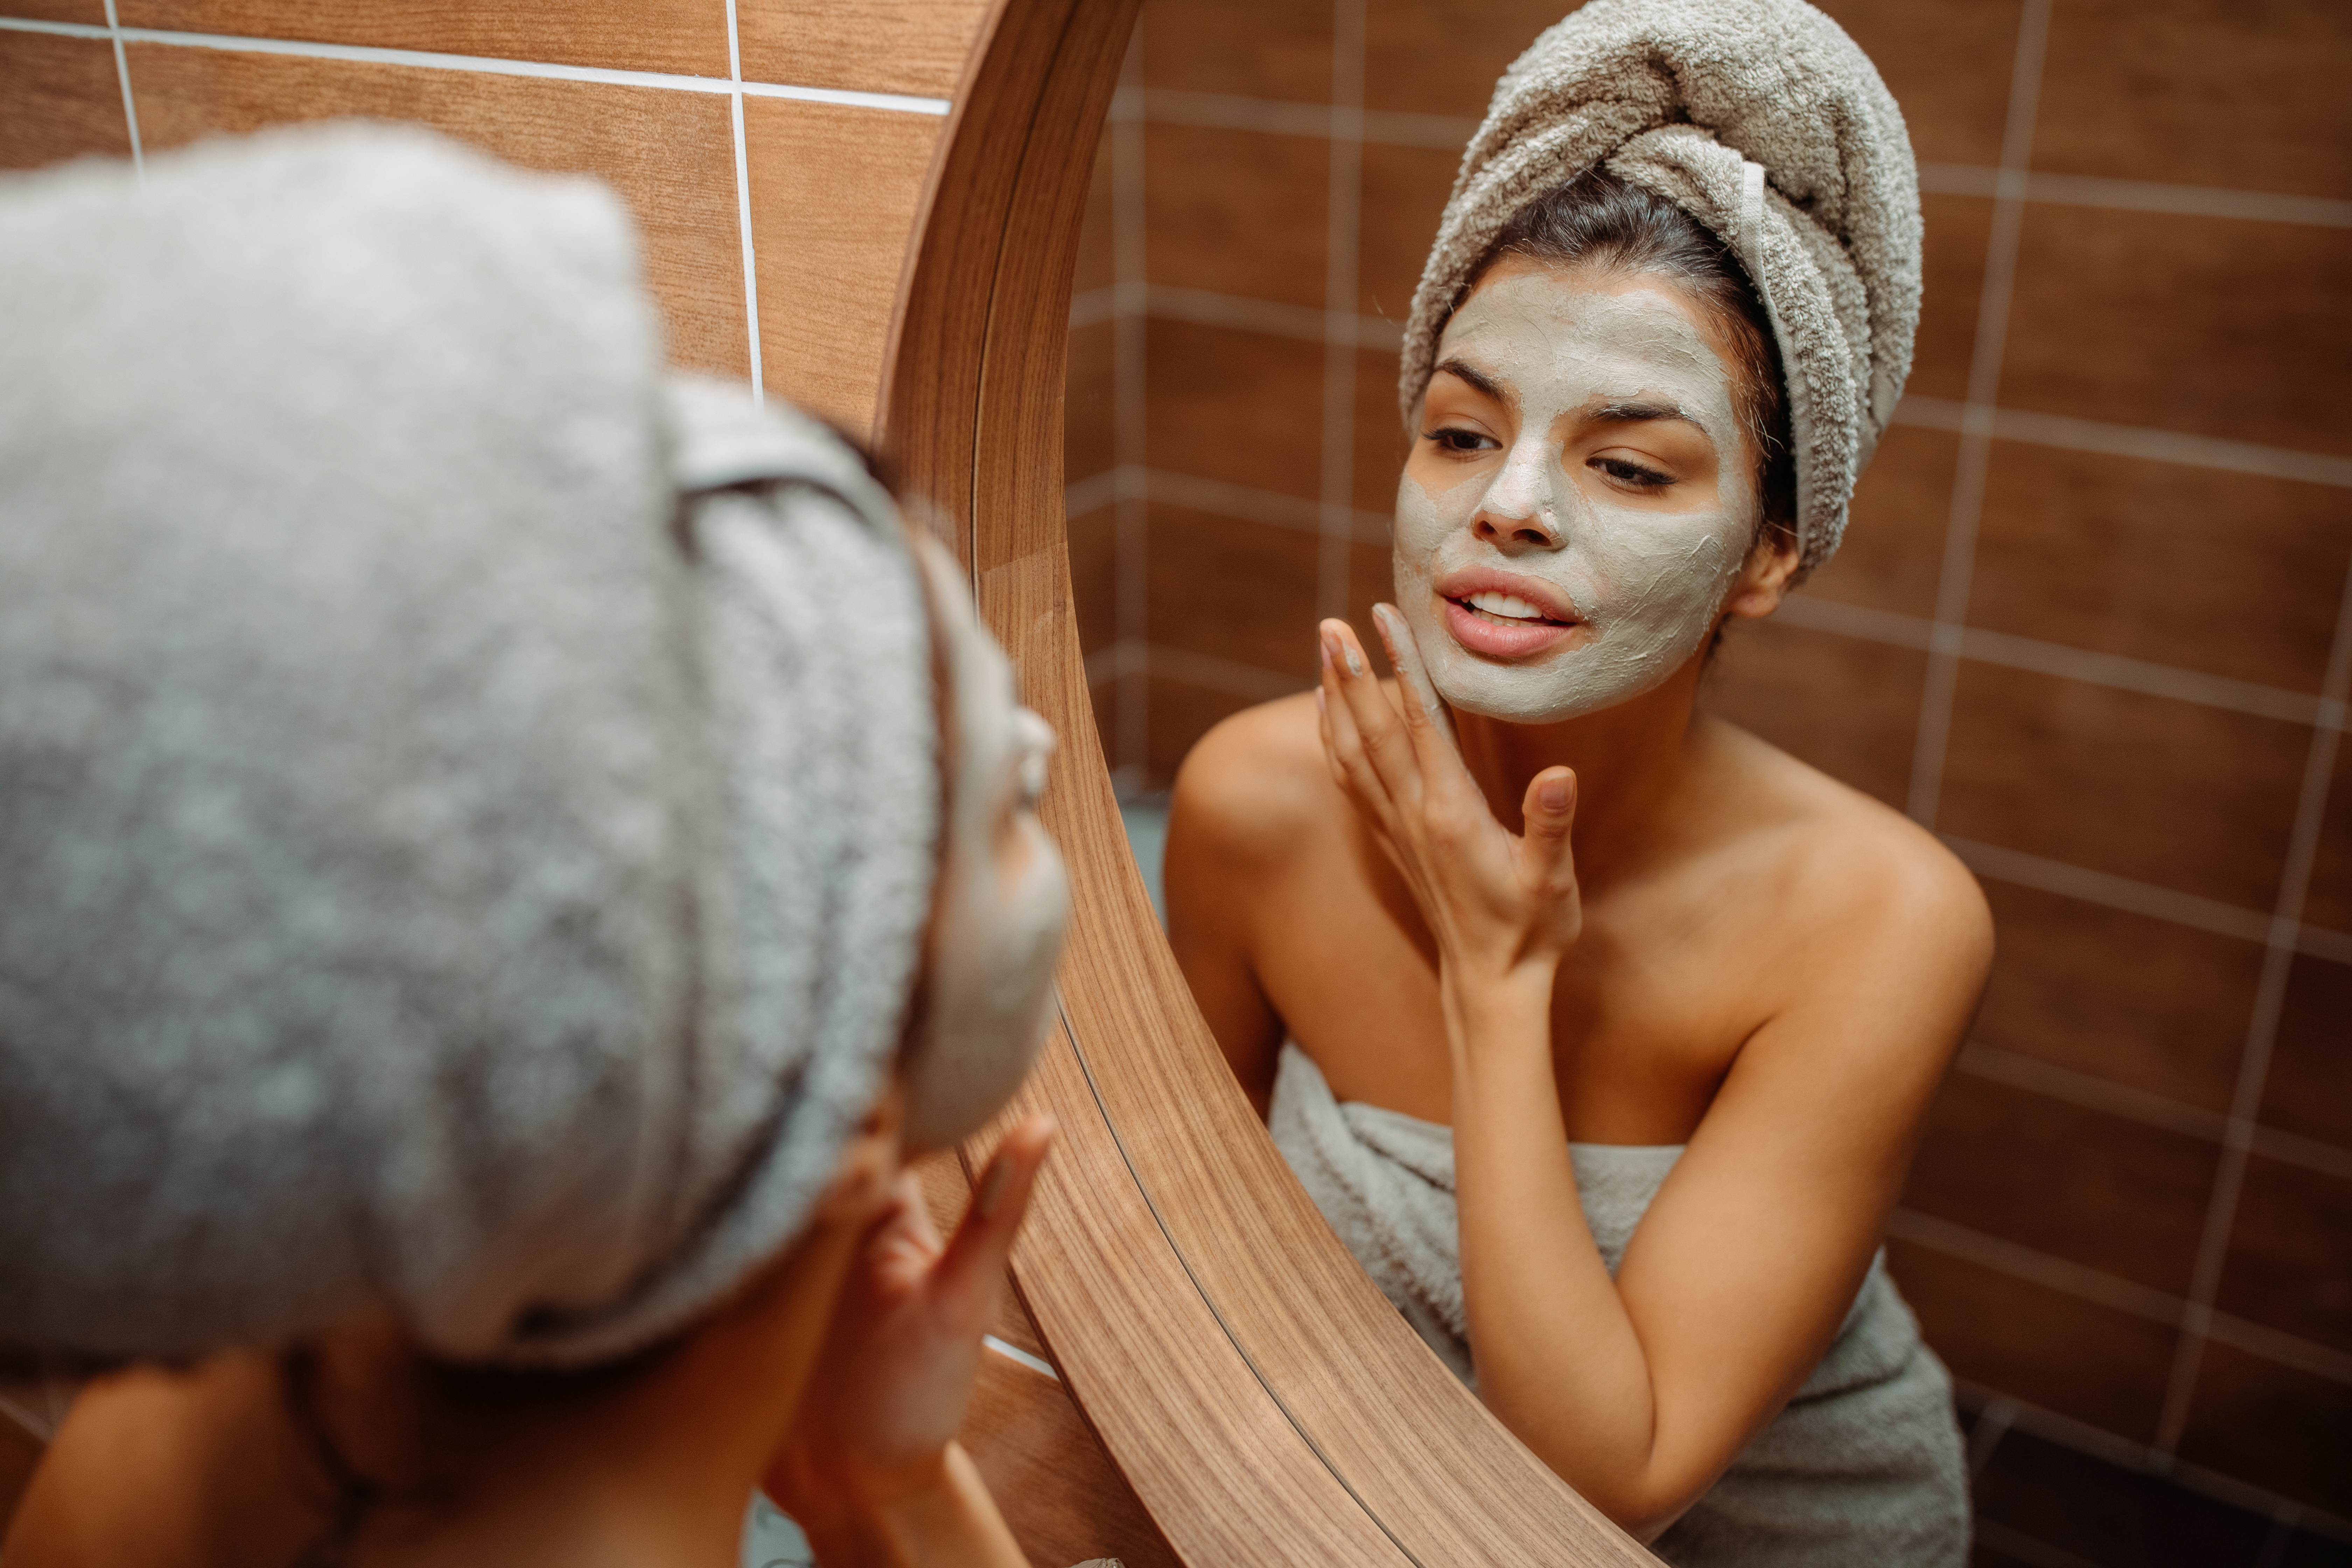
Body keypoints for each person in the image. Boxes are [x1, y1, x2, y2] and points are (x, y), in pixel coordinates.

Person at [0, 123, 1068, 1567]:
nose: (1055, 772)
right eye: (1006, 798)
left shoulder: (158, 1434)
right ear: (839, 1086)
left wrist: (878, 1478)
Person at [1166, 1, 1986, 1563]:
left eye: (1629, 464)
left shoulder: (1881, 922)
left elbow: (1617, 1477)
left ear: (1765, 554)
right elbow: (1189, 1248)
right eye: (1461, 432)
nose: (1511, 506)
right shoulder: (1253, 805)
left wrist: (1498, 969)